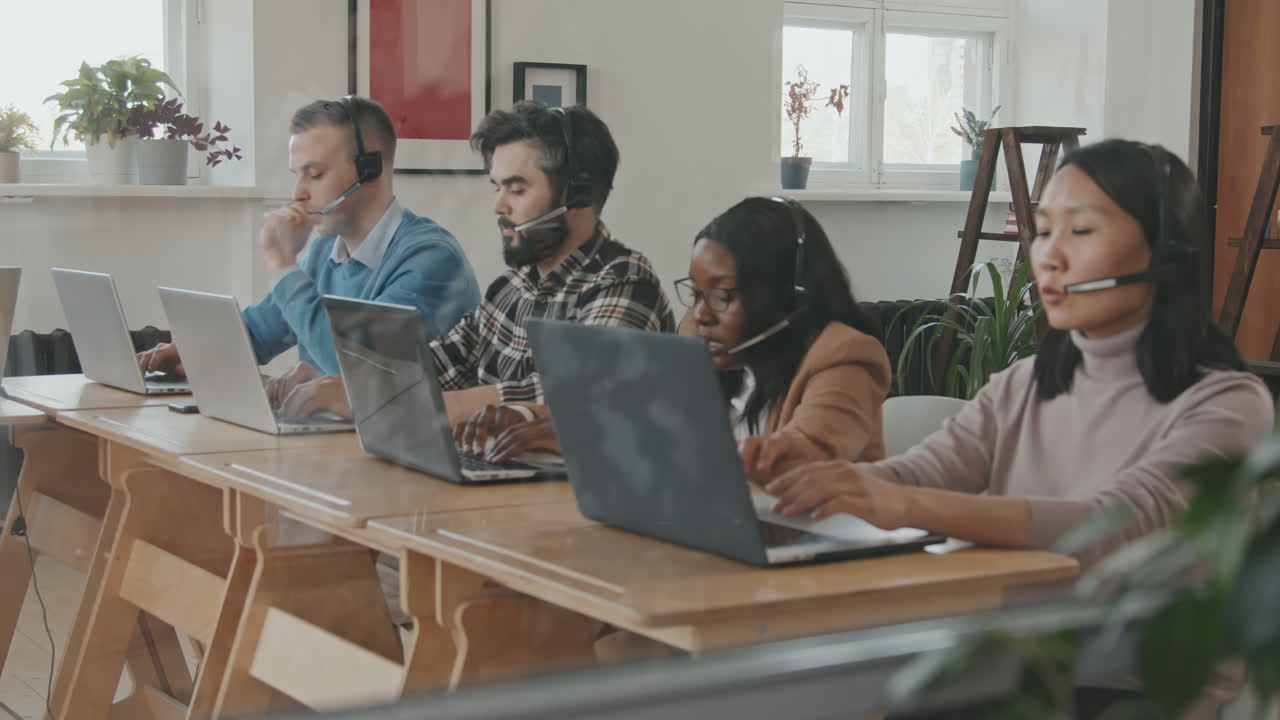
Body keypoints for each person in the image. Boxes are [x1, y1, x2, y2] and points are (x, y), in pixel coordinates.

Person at [747, 140, 1273, 567]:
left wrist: (899, 503)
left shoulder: (1229, 404)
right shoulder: (1024, 382)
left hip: (1126, 689)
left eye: (1081, 231)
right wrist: (812, 480)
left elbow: (1110, 524)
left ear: (1165, 254)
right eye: (1042, 232)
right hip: (1004, 660)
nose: (1049, 257)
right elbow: (921, 474)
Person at [277, 102, 675, 422]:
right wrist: (351, 385)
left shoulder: (624, 281)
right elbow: (433, 367)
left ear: (578, 195)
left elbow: (569, 397)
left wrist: (375, 401)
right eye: (497, 187)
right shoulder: (511, 289)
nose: (498, 206)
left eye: (516, 190)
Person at [458, 195, 890, 468]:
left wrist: (601, 442)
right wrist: (521, 417)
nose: (699, 316)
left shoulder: (844, 358)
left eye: (722, 296)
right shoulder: (708, 353)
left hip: (811, 577)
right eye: (696, 293)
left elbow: (795, 460)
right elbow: (620, 408)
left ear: (785, 297)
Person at [136, 96, 481, 382]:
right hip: (334, 442)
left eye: (314, 174)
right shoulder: (325, 252)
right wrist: (190, 350)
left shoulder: (431, 261)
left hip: (406, 453)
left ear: (369, 171)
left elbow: (357, 369)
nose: (298, 192)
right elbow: (261, 331)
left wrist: (281, 263)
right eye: (297, 175)